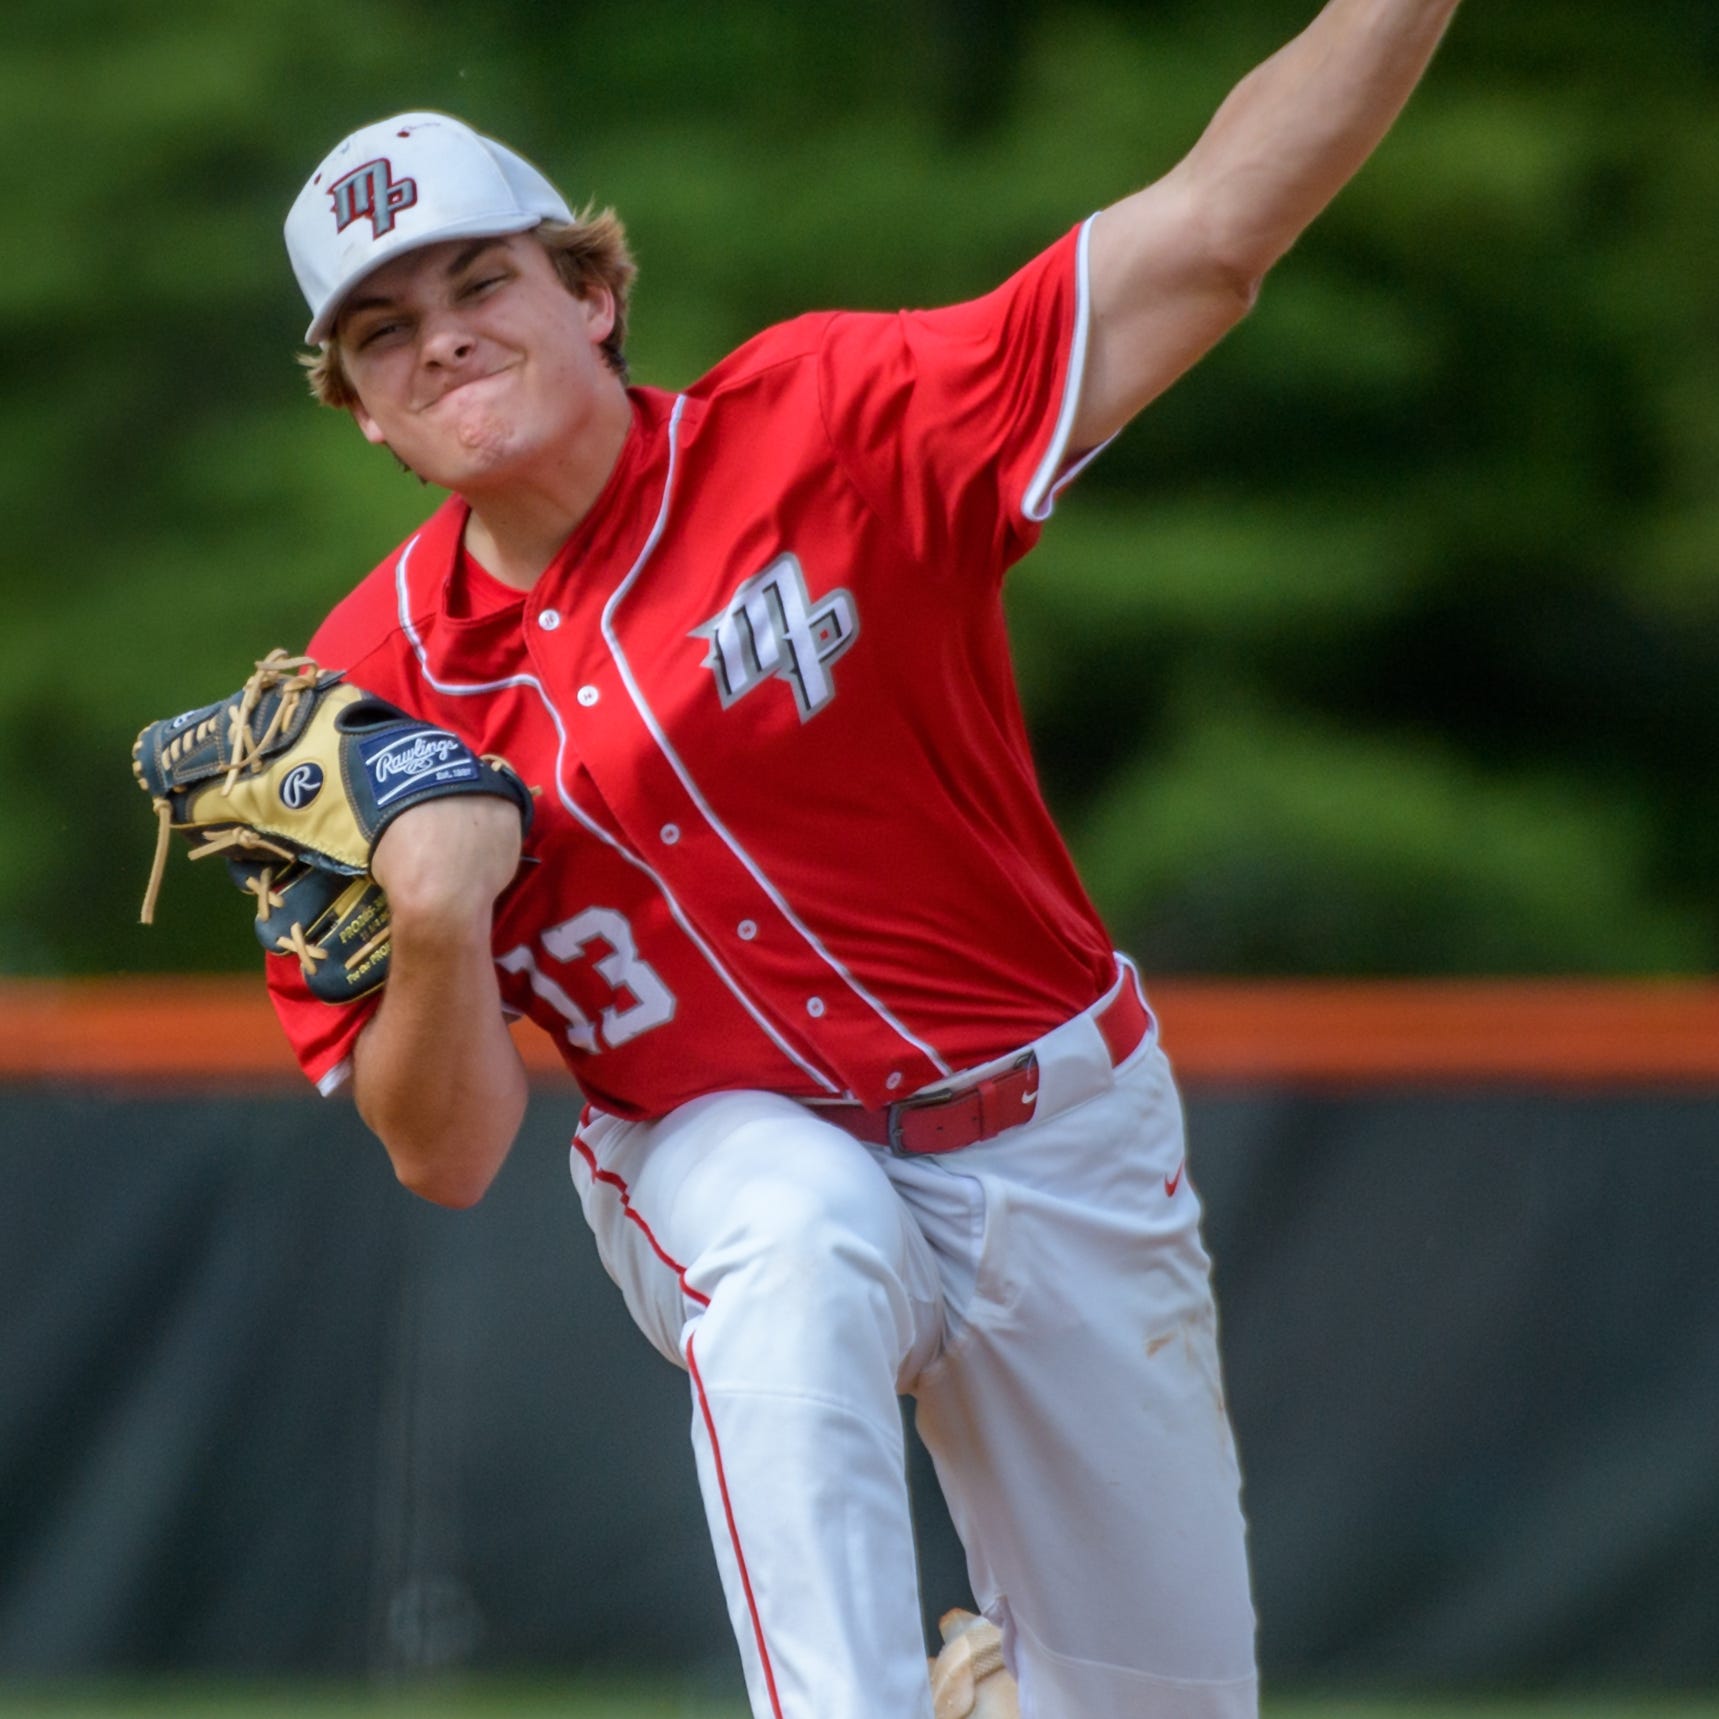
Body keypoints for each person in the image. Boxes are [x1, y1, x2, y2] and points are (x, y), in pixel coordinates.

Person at [272, 4, 1461, 1713]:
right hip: (717, 1150)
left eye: (479, 286)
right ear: (364, 413)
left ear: (590, 294)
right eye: (383, 333)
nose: (440, 342)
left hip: (1058, 1133)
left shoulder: (824, 423)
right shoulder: (355, 711)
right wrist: (439, 917)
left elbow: (1207, 236)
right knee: (799, 1226)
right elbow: (444, 1157)